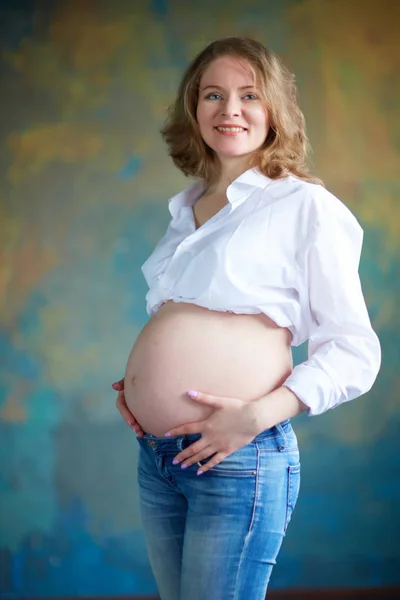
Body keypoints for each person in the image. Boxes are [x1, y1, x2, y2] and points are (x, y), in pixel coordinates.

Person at [112, 37, 381, 600]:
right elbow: (187, 321)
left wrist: (257, 415)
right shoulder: (186, 208)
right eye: (213, 94)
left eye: (249, 95)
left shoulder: (304, 205)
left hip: (238, 455)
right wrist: (138, 386)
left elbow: (355, 351)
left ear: (274, 111)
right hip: (158, 458)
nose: (229, 109)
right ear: (194, 110)